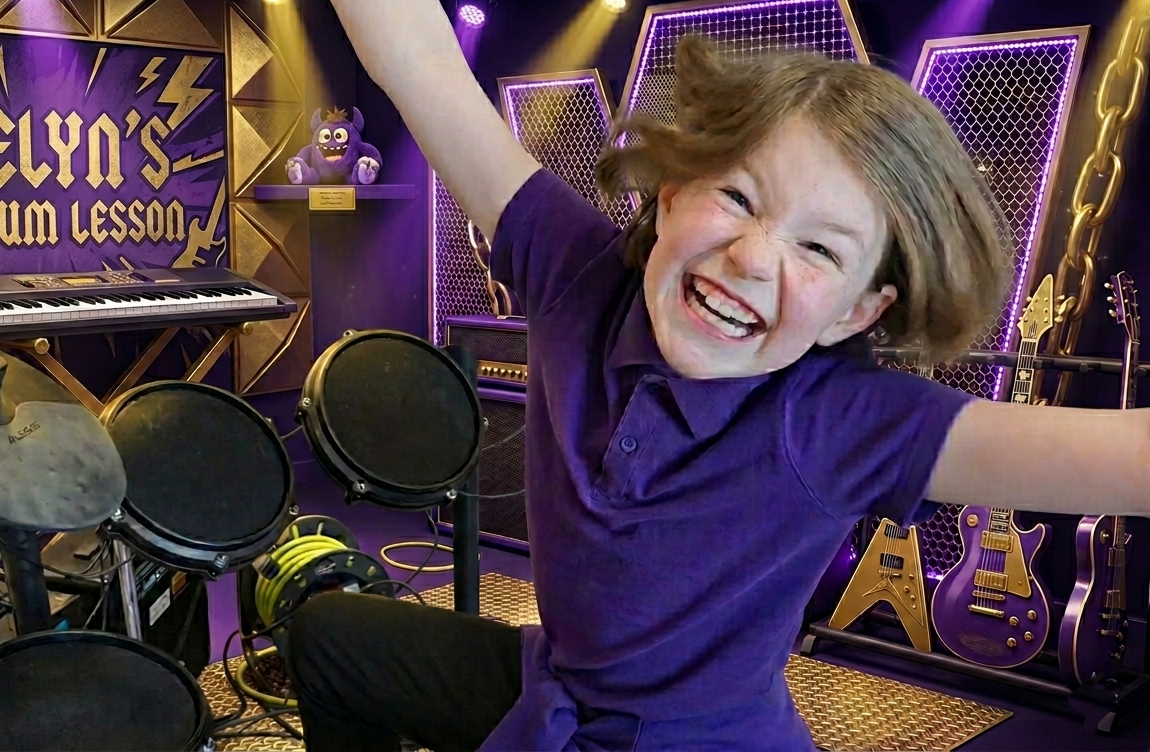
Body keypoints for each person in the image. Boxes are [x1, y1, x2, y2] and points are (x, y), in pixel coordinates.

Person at [284, 2, 1150, 750]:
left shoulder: (843, 419)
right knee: (330, 636)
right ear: (669, 194)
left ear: (857, 312)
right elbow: (419, 61)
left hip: (704, 738)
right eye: (736, 197)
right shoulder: (576, 273)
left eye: (819, 249)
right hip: (561, 689)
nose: (752, 257)